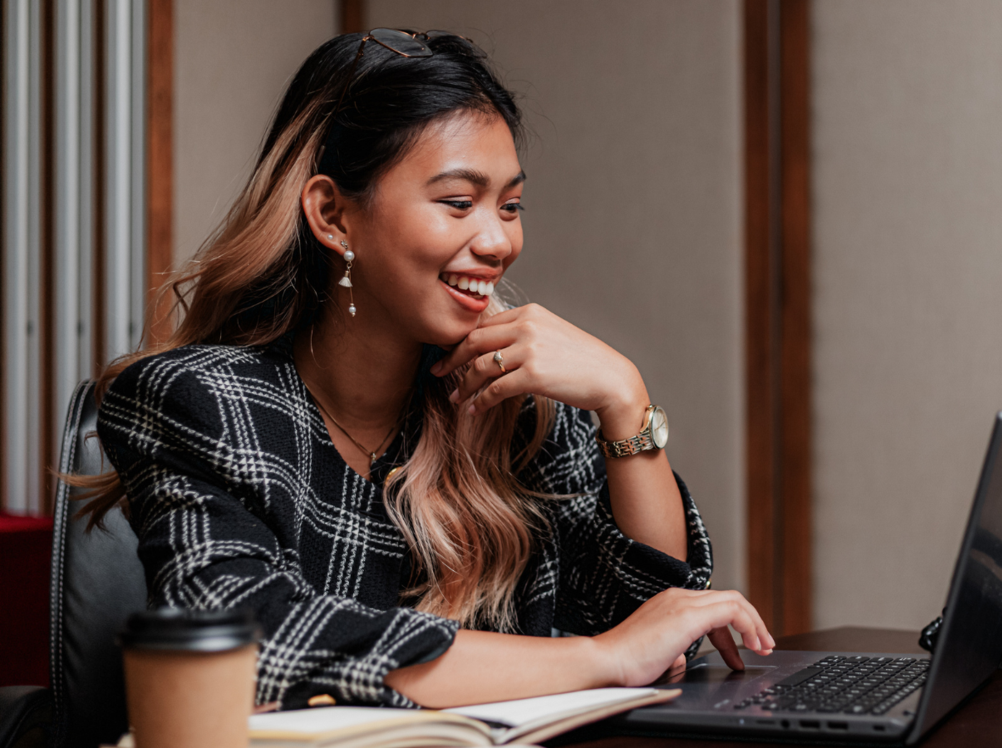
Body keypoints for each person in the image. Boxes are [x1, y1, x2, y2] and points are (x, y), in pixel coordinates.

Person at [77, 29, 773, 710]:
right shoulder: (199, 401)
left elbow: (654, 629)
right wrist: (597, 658)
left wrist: (626, 400)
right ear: (332, 215)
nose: (499, 241)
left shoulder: (512, 402)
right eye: (458, 203)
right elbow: (242, 647)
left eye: (510, 206)